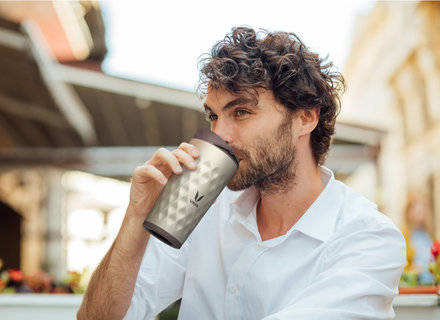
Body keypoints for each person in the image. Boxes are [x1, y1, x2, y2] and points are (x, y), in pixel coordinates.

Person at [77, 26, 406, 320]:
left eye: (242, 111)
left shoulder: (368, 239)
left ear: (306, 117)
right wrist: (137, 220)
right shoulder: (201, 209)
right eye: (213, 117)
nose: (220, 134)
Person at [402, 193, 435, 285]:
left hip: (432, 285)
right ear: (409, 212)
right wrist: (412, 270)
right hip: (415, 287)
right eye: (418, 211)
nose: (422, 215)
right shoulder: (404, 236)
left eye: (424, 211)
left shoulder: (429, 235)